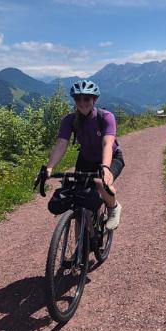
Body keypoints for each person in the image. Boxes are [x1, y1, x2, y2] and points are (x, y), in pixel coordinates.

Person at [38, 79, 124, 229]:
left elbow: (107, 144)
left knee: (100, 183)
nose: (82, 102)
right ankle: (80, 249)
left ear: (94, 99)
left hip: (111, 158)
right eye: (78, 99)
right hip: (85, 159)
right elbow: (61, 144)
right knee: (79, 200)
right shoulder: (69, 120)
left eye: (87, 98)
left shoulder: (106, 117)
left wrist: (105, 167)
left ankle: (114, 207)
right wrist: (50, 167)